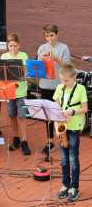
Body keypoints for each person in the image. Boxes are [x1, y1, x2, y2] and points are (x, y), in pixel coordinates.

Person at [54, 63, 87, 202]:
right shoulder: (59, 87)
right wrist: (57, 122)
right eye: (62, 80)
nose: (64, 83)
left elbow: (85, 108)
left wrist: (72, 111)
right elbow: (55, 104)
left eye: (66, 80)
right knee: (64, 159)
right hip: (63, 126)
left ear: (74, 77)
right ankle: (65, 184)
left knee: (73, 158)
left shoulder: (81, 88)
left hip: (74, 126)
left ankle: (74, 187)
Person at [37, 24, 71, 161]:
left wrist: (56, 58)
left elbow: (68, 67)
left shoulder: (64, 48)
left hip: (59, 86)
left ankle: (63, 139)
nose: (49, 38)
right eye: (47, 35)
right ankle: (50, 141)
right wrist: (41, 60)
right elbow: (37, 67)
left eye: (51, 35)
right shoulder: (41, 48)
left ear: (56, 35)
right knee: (48, 116)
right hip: (45, 84)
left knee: (60, 114)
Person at [1, 33, 31, 155]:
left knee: (22, 117)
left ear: (19, 45)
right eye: (10, 46)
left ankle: (24, 141)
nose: (13, 48)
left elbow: (26, 72)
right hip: (9, 91)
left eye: (15, 46)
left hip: (21, 91)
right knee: (12, 115)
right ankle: (16, 138)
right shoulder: (3, 56)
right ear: (7, 46)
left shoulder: (23, 56)